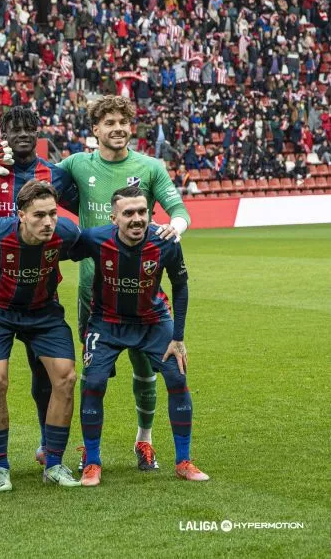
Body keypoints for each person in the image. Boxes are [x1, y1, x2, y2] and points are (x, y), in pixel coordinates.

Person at [58, 95, 191, 471]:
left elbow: (179, 210)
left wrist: (172, 229)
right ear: (95, 129)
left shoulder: (149, 167)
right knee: (92, 377)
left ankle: (144, 441)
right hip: (92, 295)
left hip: (142, 291)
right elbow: (39, 182)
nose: (118, 129)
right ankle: (87, 450)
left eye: (123, 122)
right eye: (109, 123)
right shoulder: (76, 164)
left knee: (146, 371)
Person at [70, 186, 208, 486]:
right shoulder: (96, 239)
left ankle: (183, 460)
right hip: (106, 322)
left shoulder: (166, 242)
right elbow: (63, 249)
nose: (136, 219)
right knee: (92, 383)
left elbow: (180, 286)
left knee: (178, 378)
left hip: (153, 322)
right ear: (114, 217)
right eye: (128, 213)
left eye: (142, 212)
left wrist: (179, 337)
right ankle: (92, 461)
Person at [0, 106, 77, 478]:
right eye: (13, 128)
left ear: (38, 131)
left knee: (45, 373)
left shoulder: (57, 175)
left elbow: (79, 218)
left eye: (28, 128)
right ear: (2, 131)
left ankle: (47, 448)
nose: (21, 134)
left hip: (41, 293)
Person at [0, 181, 82, 491]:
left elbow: (92, 244)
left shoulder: (66, 233)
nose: (48, 222)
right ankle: (0, 465)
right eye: (39, 215)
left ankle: (54, 462)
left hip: (43, 311)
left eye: (53, 214)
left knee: (66, 378)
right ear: (21, 216)